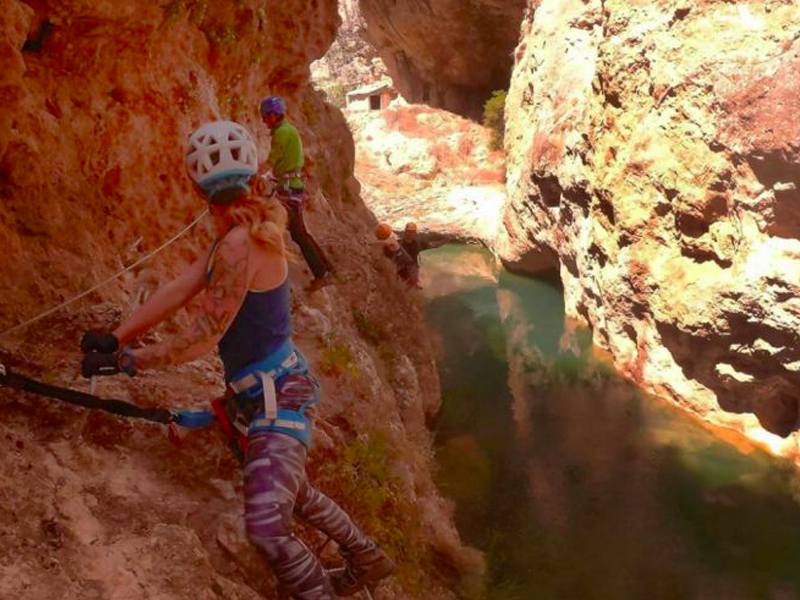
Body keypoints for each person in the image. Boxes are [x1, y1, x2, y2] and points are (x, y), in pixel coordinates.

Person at [80, 121, 395, 599]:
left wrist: (130, 360)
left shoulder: (236, 245)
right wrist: (115, 337)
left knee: (267, 527)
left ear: (197, 188)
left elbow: (202, 337)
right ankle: (368, 558)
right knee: (294, 492)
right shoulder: (243, 235)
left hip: (275, 399)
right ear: (252, 177)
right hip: (274, 391)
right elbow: (179, 290)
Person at [259, 96, 332, 293]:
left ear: (273, 115)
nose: (264, 121)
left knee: (298, 233)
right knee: (300, 232)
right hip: (293, 185)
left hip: (289, 188)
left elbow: (271, 161)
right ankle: (326, 268)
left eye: (265, 117)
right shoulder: (287, 130)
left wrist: (254, 176)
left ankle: (322, 273)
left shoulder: (281, 133)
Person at [398, 222, 445, 287]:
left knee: (412, 288)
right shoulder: (399, 244)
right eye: (409, 231)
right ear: (405, 231)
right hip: (401, 271)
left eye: (412, 231)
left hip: (412, 272)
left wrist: (445, 241)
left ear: (415, 233)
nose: (410, 233)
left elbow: (433, 245)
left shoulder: (417, 244)